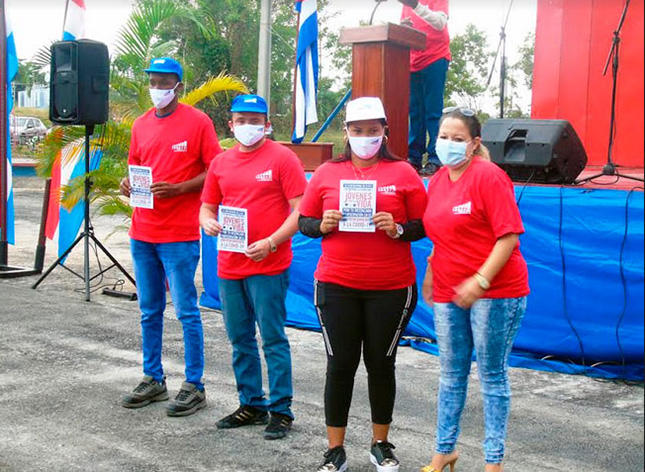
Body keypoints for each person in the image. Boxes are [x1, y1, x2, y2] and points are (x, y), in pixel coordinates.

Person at [298, 97, 428, 472]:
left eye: (373, 130)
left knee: (380, 364)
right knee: (340, 366)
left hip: (390, 286)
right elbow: (305, 220)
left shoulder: (403, 172)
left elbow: (424, 224)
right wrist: (321, 225)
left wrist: (399, 228)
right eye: (358, 130)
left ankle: (381, 444)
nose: (366, 137)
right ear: (347, 132)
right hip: (336, 283)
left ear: (385, 130)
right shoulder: (326, 173)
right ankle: (334, 450)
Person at [420, 107, 530, 472]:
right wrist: (432, 273)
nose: (447, 145)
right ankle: (444, 451)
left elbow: (509, 237)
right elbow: (441, 233)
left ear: (474, 144)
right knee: (450, 375)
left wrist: (480, 281)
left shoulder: (489, 177)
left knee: (492, 376)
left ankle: (493, 462)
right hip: (450, 292)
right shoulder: (437, 179)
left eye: (457, 139)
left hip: (496, 293)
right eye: (443, 137)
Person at [199, 94, 307, 441]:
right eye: (241, 120)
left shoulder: (282, 158)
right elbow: (206, 207)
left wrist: (272, 242)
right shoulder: (221, 163)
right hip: (230, 264)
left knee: (273, 338)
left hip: (269, 263)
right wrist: (208, 223)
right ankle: (251, 403)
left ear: (267, 123)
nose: (248, 126)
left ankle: (281, 409)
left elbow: (300, 210)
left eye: (255, 120)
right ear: (230, 125)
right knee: (239, 338)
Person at [120, 57, 223, 417]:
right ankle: (153, 378)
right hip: (142, 231)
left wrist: (180, 189)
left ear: (178, 86)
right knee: (149, 309)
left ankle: (194, 384)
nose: (157, 89)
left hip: (178, 234)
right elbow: (136, 168)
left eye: (164, 83)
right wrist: (127, 183)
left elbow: (216, 170)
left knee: (186, 310)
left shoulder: (198, 122)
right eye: (152, 82)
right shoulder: (141, 124)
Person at [398, 0, 451, 176]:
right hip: (412, 60)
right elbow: (406, 31)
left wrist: (416, 6)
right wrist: (403, 27)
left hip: (435, 57)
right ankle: (414, 157)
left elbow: (440, 23)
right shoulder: (406, 4)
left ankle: (435, 158)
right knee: (415, 112)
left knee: (433, 112)